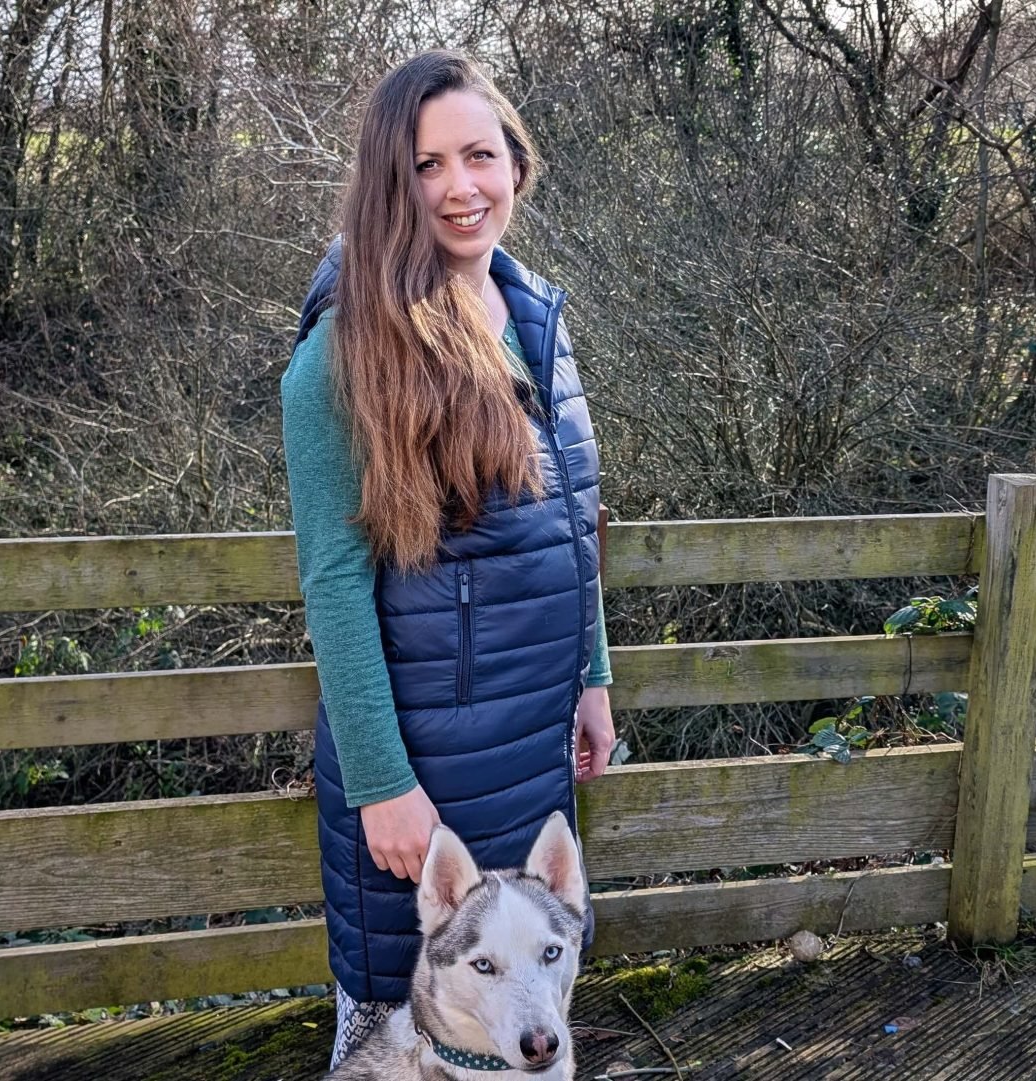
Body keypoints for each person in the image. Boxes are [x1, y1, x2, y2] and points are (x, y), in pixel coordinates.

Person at [279, 50, 615, 1069]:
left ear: (516, 162)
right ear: (391, 186)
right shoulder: (341, 357)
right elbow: (334, 582)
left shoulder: (537, 319)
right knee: (406, 1035)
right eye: (427, 166)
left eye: (480, 154)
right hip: (422, 763)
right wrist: (382, 781)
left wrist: (591, 677)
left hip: (527, 744)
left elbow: (571, 527)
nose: (460, 187)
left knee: (513, 1012)